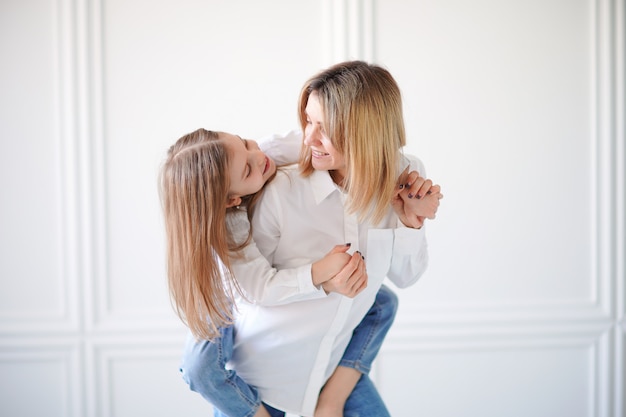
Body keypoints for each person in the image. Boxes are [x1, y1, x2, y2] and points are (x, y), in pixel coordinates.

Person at [215, 60, 443, 416]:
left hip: (329, 371)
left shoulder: (406, 176)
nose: (308, 137)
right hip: (265, 386)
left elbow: (405, 277)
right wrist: (321, 280)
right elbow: (249, 293)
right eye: (308, 120)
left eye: (324, 127)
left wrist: (411, 224)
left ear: (365, 132)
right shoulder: (281, 188)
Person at [160, 128, 402, 416]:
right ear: (230, 200)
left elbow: (315, 143)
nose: (257, 155)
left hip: (269, 308)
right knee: (199, 365)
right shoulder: (227, 229)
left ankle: (332, 397)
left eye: (245, 142)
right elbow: (259, 288)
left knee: (382, 301)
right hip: (228, 294)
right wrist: (320, 275)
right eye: (248, 168)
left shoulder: (263, 152)